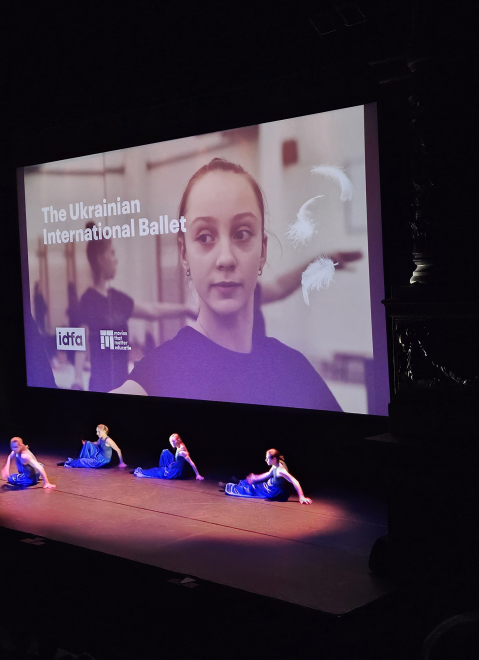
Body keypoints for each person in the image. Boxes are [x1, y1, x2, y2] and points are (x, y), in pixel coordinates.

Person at [111, 158, 342, 412]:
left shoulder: (294, 370)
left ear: (263, 251)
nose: (226, 259)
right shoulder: (158, 372)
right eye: (205, 237)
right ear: (184, 253)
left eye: (242, 234)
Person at [73, 221, 196, 392]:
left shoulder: (117, 298)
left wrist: (186, 308)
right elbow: (82, 341)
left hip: (122, 388)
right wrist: (77, 379)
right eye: (112, 253)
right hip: (100, 390)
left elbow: (152, 310)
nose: (116, 260)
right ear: (101, 259)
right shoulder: (88, 300)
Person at [222, 449, 311, 504]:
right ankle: (238, 482)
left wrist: (301, 496)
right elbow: (268, 474)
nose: (266, 460)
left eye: (267, 458)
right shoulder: (276, 464)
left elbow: (294, 480)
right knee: (253, 483)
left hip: (274, 492)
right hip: (270, 485)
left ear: (274, 459)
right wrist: (256, 478)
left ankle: (229, 487)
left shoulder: (281, 470)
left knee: (252, 490)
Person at [133, 433, 204, 480]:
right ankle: (162, 468)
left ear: (178, 440)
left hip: (175, 470)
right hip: (174, 464)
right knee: (165, 451)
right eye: (171, 442)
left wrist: (197, 475)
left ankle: (143, 471)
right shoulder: (180, 444)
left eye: (173, 442)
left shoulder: (182, 452)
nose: (172, 443)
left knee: (157, 472)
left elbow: (191, 463)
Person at [58, 424, 126, 468]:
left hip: (102, 460)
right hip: (99, 455)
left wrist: (121, 462)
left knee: (82, 461)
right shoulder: (101, 438)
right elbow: (96, 443)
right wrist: (87, 443)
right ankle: (81, 460)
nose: (97, 433)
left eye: (99, 432)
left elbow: (118, 450)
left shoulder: (108, 440)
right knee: (88, 443)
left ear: (104, 432)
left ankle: (73, 462)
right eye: (97, 432)